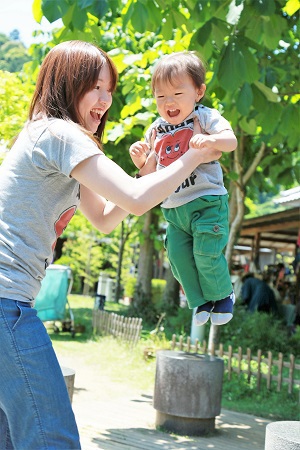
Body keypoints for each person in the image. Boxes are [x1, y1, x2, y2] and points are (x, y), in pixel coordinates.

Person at [0, 41, 223, 449]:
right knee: (53, 438)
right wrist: (194, 155)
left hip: (9, 303)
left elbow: (106, 216)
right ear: (68, 84)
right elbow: (137, 201)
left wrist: (150, 172)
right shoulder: (60, 133)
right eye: (95, 88)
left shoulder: (45, 135)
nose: (104, 101)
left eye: (109, 91)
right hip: (6, 303)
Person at [129, 51, 237, 327]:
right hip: (173, 210)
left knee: (205, 251)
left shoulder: (206, 116)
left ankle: (223, 295)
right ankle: (200, 300)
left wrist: (208, 140)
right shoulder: (156, 129)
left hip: (206, 201)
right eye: (161, 96)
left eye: (177, 93)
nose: (169, 102)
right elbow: (149, 174)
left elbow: (230, 141)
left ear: (199, 92)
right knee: (176, 256)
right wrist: (141, 160)